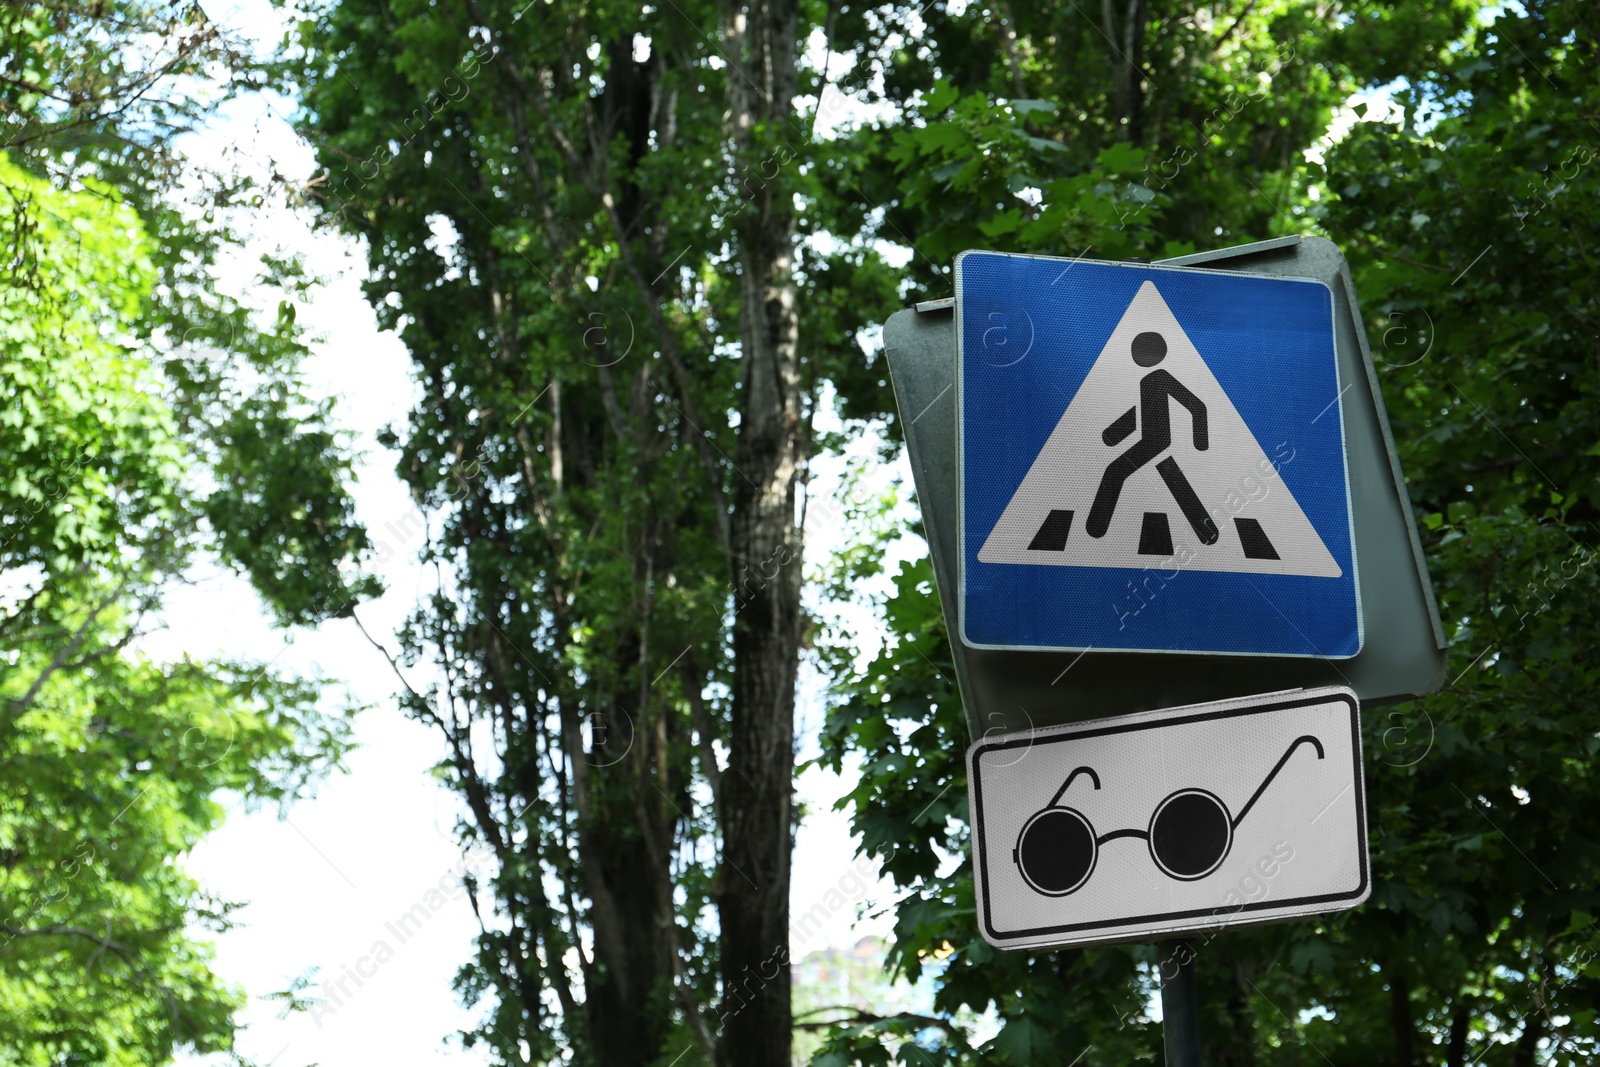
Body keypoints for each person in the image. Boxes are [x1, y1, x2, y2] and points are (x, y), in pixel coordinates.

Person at [1086, 331, 1219, 545]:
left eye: (1138, 351)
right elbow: (1141, 413)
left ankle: (1095, 527)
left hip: (1156, 441)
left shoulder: (1160, 377)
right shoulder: (1148, 380)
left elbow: (1196, 406)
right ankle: (1207, 531)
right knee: (1175, 481)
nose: (1134, 355)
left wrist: (1200, 441)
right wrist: (1113, 434)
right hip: (1153, 441)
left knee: (1115, 472)